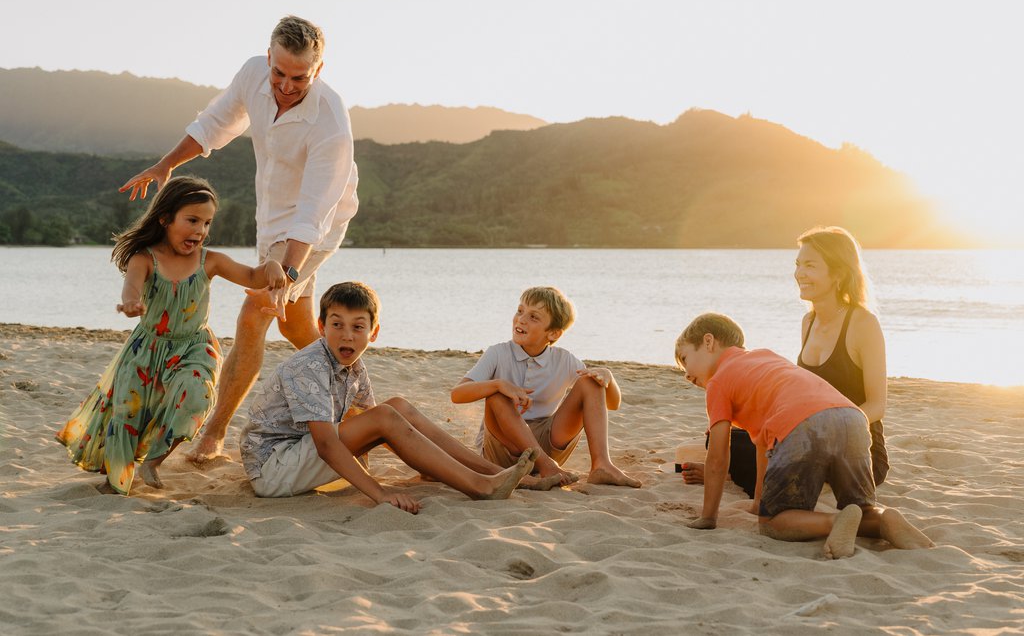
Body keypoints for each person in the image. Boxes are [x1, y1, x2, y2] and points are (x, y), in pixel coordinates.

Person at [118, 15, 359, 465]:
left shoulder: (330, 121)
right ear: (268, 58)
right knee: (292, 324)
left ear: (319, 70)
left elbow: (314, 212)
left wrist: (284, 274)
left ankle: (214, 431)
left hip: (318, 225)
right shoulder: (253, 73)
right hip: (270, 220)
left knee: (256, 310)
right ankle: (359, 394)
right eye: (279, 73)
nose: (287, 85)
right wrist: (166, 164)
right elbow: (215, 123)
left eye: (300, 77)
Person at [57, 176, 287, 494]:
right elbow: (132, 284)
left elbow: (251, 275)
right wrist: (130, 301)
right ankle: (116, 482)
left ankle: (155, 460)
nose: (200, 231)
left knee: (197, 396)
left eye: (206, 223)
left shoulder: (211, 261)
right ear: (165, 218)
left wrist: (273, 266)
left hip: (195, 346)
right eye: (192, 220)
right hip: (146, 350)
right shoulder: (145, 258)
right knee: (129, 413)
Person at [239, 282, 540, 513]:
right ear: (321, 327)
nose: (347, 335)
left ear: (374, 333)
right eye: (336, 324)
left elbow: (380, 429)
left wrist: (430, 465)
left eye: (358, 327)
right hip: (273, 469)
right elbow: (328, 444)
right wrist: (380, 493)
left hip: (301, 457)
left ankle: (493, 472)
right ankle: (480, 486)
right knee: (385, 415)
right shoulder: (310, 365)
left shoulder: (354, 366)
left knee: (394, 407)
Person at [674, 313, 932, 559]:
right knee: (859, 508)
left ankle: (834, 521)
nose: (686, 375)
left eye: (685, 359)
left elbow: (718, 456)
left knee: (773, 522)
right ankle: (884, 520)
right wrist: (757, 502)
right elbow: (764, 448)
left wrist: (708, 517)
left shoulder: (719, 381)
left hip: (803, 425)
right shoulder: (767, 358)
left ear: (708, 342)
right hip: (852, 418)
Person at [680, 225, 889, 491]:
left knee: (759, 449)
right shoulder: (809, 322)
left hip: (855, 444)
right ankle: (732, 470)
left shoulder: (863, 323)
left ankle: (735, 473)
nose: (799, 273)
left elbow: (877, 405)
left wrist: (821, 432)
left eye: (810, 266)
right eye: (798, 264)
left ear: (837, 272)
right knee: (727, 439)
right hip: (808, 433)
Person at [451, 286, 641, 488]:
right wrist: (499, 384)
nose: (521, 319)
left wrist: (608, 379)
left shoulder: (564, 360)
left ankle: (602, 465)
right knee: (497, 395)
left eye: (534, 317)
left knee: (590, 381)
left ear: (553, 333)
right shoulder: (498, 353)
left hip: (547, 440)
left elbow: (613, 403)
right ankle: (545, 465)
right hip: (503, 448)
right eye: (520, 310)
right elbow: (457, 394)